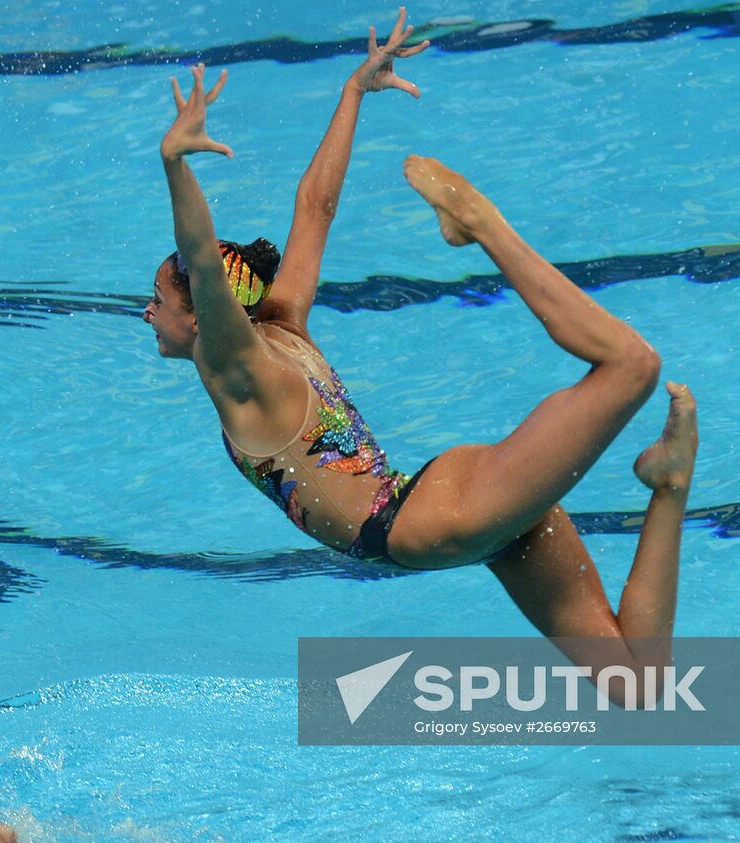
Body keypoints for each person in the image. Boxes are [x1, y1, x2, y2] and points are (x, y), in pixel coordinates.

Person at [143, 7, 699, 684]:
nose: (148, 313)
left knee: (632, 366)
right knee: (636, 684)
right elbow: (315, 206)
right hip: (452, 513)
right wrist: (352, 93)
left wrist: (175, 163)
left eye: (162, 302)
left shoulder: (239, 371)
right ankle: (668, 483)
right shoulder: (284, 322)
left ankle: (480, 223)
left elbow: (201, 257)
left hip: (442, 517)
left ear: (205, 316)